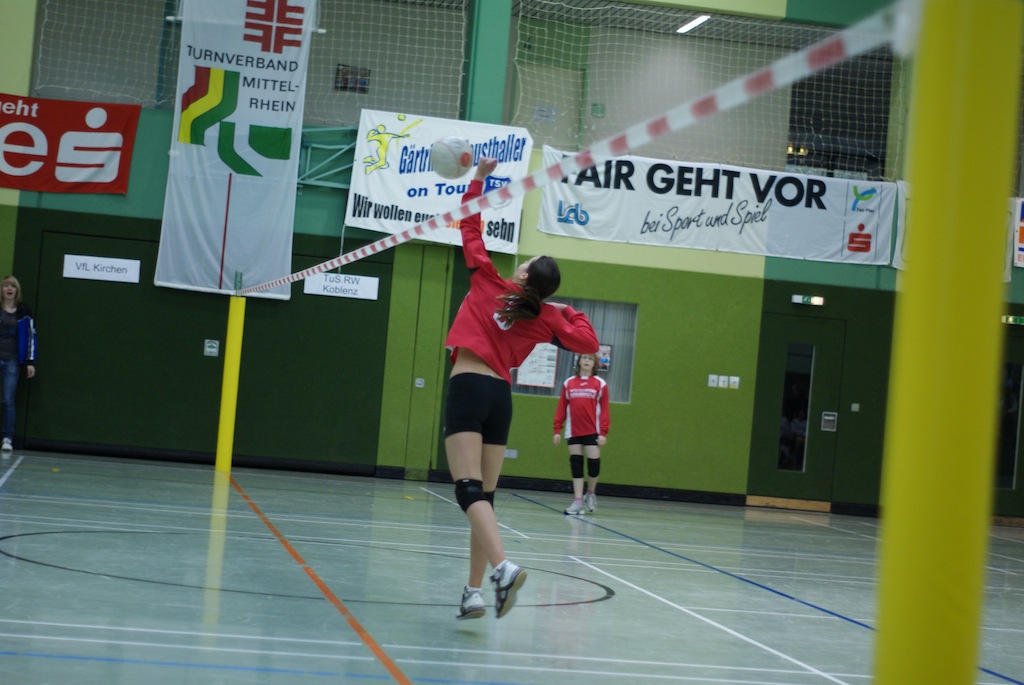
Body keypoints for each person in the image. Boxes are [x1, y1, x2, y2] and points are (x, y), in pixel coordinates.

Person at [444, 157, 599, 620]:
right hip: (500, 399)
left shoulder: (487, 281)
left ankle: (503, 568)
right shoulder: (547, 317)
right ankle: (473, 592)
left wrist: (479, 178)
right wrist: (566, 310)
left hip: (469, 388)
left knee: (466, 490)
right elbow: (589, 343)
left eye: (526, 262)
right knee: (484, 498)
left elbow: (469, 223)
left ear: (526, 276)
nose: (521, 263)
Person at [553, 352, 610, 514]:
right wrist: (557, 429)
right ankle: (577, 501)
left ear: (594, 364)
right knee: (576, 465)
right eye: (584, 358)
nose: (586, 361)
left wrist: (603, 432)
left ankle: (590, 494)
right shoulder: (569, 383)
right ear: (578, 362)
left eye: (590, 359)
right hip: (573, 431)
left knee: (594, 464)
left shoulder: (600, 384)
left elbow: (605, 410)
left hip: (593, 431)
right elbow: (561, 407)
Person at [1, 275, 37, 453]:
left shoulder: (24, 312)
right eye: (6, 286)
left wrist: (30, 361)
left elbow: (31, 337)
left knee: (8, 400)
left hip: (12, 362)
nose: (9, 289)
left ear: (17, 290)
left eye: (12, 286)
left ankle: (7, 438)